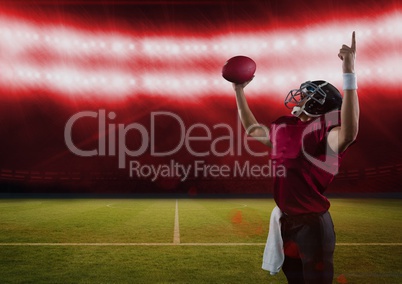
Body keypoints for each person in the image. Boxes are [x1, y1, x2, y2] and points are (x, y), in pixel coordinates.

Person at [232, 32, 359, 283]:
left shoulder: (326, 133)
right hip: (286, 222)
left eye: (310, 95)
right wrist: (238, 90)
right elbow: (251, 129)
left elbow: (350, 133)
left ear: (320, 107)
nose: (302, 96)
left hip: (312, 225)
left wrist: (349, 72)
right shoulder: (284, 126)